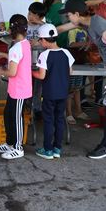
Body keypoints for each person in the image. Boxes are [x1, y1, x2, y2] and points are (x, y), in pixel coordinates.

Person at [57, 0, 106, 159]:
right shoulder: (84, 22)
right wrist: (46, 34)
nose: (68, 18)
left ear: (77, 14)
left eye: (69, 14)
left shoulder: (98, 24)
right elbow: (62, 28)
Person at [0, 14, 32, 159]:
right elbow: (19, 59)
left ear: (11, 30)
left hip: (20, 90)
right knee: (8, 114)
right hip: (15, 89)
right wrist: (6, 55)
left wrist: (0, 71)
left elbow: (12, 72)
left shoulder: (16, 48)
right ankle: (9, 143)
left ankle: (18, 147)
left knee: (16, 118)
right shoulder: (25, 43)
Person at [33, 23, 75, 159]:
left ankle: (47, 149)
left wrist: (30, 72)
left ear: (44, 40)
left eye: (40, 40)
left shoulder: (44, 55)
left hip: (50, 94)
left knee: (48, 121)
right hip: (63, 93)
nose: (40, 42)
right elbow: (70, 71)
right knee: (59, 120)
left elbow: (41, 76)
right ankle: (57, 148)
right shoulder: (66, 52)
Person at [27, 1, 46, 119]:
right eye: (29, 13)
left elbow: (51, 31)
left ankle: (37, 108)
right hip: (27, 62)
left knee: (38, 87)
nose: (30, 17)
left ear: (41, 17)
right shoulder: (25, 25)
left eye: (34, 15)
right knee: (27, 85)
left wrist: (40, 22)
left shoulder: (43, 26)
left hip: (39, 62)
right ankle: (27, 107)